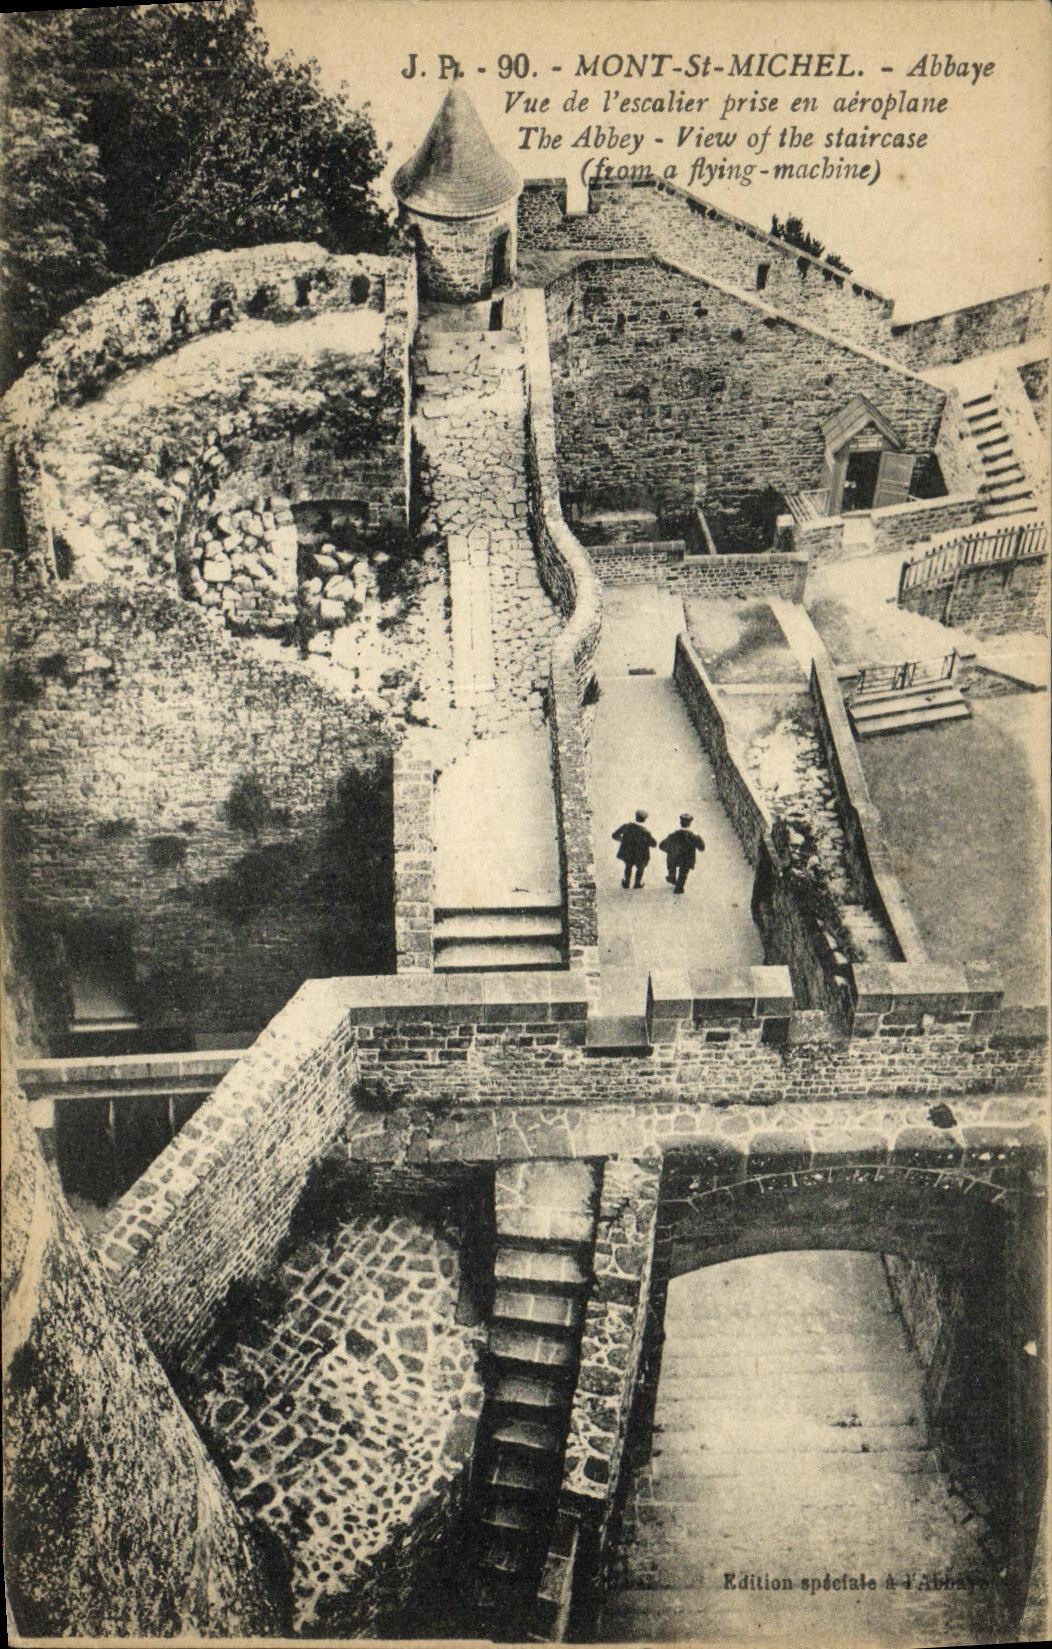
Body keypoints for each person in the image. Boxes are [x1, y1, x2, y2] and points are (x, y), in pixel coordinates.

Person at [660, 813, 706, 894]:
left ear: (680, 823)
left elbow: (661, 845)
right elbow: (702, 848)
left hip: (675, 857)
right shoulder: (694, 836)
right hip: (687, 859)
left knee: (671, 861)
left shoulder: (674, 834)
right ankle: (679, 888)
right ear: (690, 823)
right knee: (684, 872)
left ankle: (672, 876)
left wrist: (670, 851)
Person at [612, 810, 656, 889]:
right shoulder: (645, 831)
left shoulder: (626, 826)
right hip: (641, 855)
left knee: (628, 866)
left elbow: (614, 835)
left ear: (636, 817)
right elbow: (654, 844)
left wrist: (622, 840)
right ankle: (637, 883)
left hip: (628, 852)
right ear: (644, 819)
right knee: (640, 868)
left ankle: (626, 883)